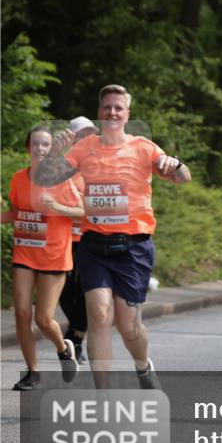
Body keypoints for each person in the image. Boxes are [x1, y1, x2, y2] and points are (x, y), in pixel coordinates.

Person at [34, 85, 191, 389]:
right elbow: (44, 178)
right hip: (94, 244)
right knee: (99, 315)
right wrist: (55, 151)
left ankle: (143, 366)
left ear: (127, 114)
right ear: (99, 112)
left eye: (119, 108)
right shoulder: (84, 148)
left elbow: (183, 179)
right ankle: (103, 397)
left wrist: (176, 164)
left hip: (133, 247)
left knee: (129, 326)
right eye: (107, 107)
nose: (113, 113)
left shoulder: (144, 147)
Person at [3, 126, 82, 390]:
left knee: (44, 319)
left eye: (44, 145)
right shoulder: (18, 178)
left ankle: (63, 350)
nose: (39, 149)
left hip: (54, 255)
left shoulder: (62, 178)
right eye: (35, 144)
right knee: (23, 312)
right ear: (28, 148)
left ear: (51, 151)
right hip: (25, 250)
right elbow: (16, 212)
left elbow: (82, 212)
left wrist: (57, 207)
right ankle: (32, 372)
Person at [58, 117, 99, 362]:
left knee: (85, 292)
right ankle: (75, 332)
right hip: (61, 237)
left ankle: (76, 340)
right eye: (81, 134)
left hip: (88, 237)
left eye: (90, 134)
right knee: (63, 290)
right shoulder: (63, 165)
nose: (86, 138)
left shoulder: (97, 166)